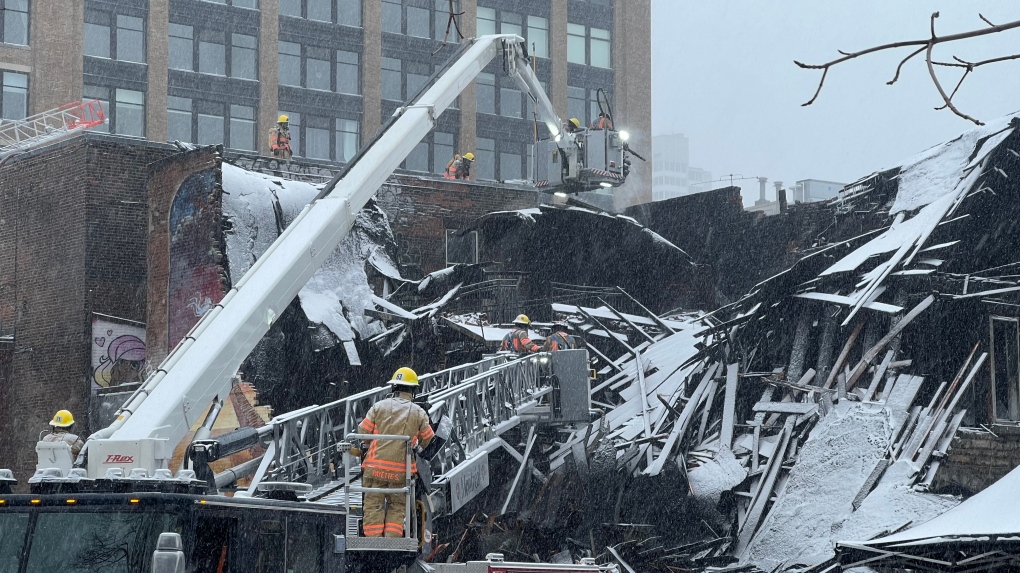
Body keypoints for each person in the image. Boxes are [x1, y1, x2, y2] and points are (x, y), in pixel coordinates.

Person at [356, 368, 434, 538]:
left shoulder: (378, 407)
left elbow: (363, 433)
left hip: (374, 469)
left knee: (373, 505)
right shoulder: (418, 412)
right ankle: (392, 540)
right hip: (400, 474)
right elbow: (428, 440)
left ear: (393, 388)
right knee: (397, 507)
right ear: (413, 391)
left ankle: (373, 541)